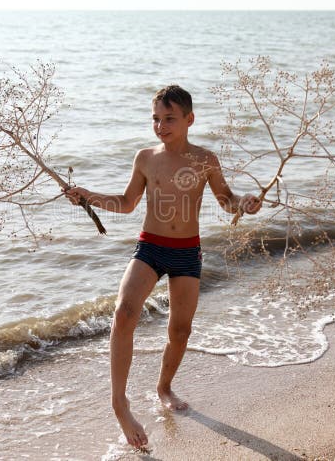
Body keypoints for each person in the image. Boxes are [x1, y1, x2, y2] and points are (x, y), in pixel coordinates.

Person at [64, 85, 262, 449]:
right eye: (156, 118)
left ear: (189, 119)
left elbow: (225, 200)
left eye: (169, 118)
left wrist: (244, 204)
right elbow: (126, 203)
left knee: (181, 330)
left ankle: (164, 387)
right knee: (124, 313)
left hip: (187, 252)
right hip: (150, 248)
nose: (161, 125)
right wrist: (87, 196)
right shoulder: (145, 157)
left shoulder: (206, 160)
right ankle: (119, 402)